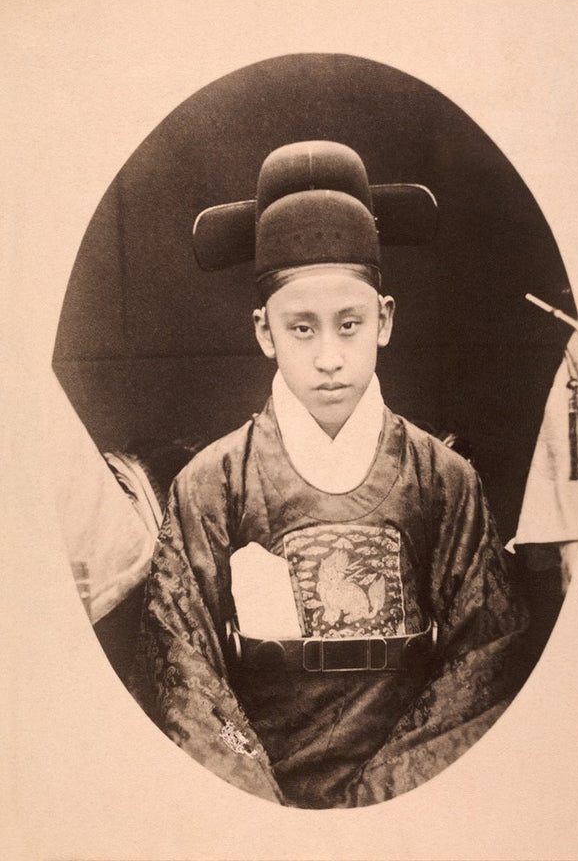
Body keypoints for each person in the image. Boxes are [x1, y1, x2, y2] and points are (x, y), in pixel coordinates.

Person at [135, 141, 529, 808]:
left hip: (410, 804)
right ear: (265, 332)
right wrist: (263, 808)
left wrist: (376, 802)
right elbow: (184, 677)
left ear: (385, 320)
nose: (328, 357)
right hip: (255, 804)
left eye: (350, 324)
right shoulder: (211, 485)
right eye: (302, 329)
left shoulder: (444, 480)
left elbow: (484, 665)